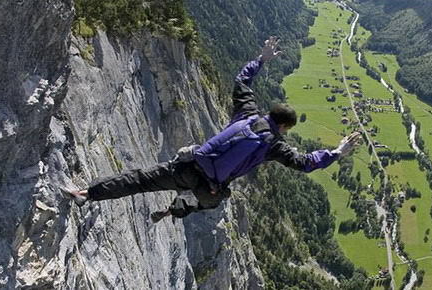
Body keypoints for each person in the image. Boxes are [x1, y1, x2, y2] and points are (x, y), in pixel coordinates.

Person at [62, 36, 361, 223]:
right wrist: (335, 152)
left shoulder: (246, 113)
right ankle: (172, 212)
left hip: (188, 165)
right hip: (211, 188)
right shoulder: (274, 145)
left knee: (139, 180)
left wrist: (261, 59)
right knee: (208, 201)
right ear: (283, 127)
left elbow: (242, 82)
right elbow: (306, 163)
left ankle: (86, 192)